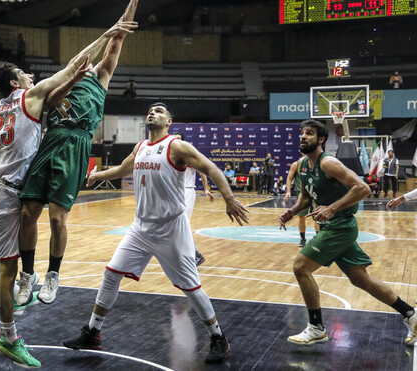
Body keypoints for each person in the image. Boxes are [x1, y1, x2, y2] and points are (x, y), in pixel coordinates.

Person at [62, 102, 250, 363]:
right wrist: (98, 175)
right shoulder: (140, 147)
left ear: (169, 122)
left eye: (160, 111)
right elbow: (122, 169)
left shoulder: (177, 146)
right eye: (150, 110)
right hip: (140, 227)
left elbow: (211, 169)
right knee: (111, 274)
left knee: (191, 287)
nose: (153, 112)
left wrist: (229, 198)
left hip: (171, 228)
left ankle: (218, 337)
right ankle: (92, 331)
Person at [0, 32, 122, 368]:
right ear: (16, 82)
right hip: (3, 190)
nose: (31, 76)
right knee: (4, 269)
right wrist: (109, 32)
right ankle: (7, 336)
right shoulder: (28, 97)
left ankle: (23, 288)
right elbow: (73, 65)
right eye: (25, 74)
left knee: (7, 261)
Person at [17, 0, 148, 306]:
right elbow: (51, 97)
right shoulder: (63, 80)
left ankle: (52, 275)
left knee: (57, 217)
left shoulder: (101, 77)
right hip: (51, 141)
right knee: (28, 212)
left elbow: (117, 39)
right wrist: (72, 74)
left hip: (76, 144)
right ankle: (27, 274)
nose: (86, 63)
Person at [279, 119, 417, 347]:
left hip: (340, 227)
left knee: (300, 267)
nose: (303, 137)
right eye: (302, 133)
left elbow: (363, 189)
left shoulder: (328, 163)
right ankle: (410, 314)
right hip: (332, 227)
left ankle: (316, 327)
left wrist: (332, 208)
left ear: (321, 139)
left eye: (310, 133)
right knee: (360, 278)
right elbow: (306, 196)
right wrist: (292, 212)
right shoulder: (302, 165)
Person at [173, 131, 214, 266]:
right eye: (174, 139)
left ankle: (195, 255)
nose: (176, 141)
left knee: (182, 225)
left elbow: (202, 172)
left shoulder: (186, 156)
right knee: (175, 226)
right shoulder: (171, 158)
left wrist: (206, 189)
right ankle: (189, 255)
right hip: (175, 193)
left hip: (187, 191)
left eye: (178, 139)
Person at [284, 156, 312, 247]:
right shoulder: (296, 164)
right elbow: (289, 178)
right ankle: (302, 239)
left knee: (317, 217)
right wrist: (288, 191)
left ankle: (318, 238)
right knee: (301, 217)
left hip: (314, 192)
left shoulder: (315, 163)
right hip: (301, 194)